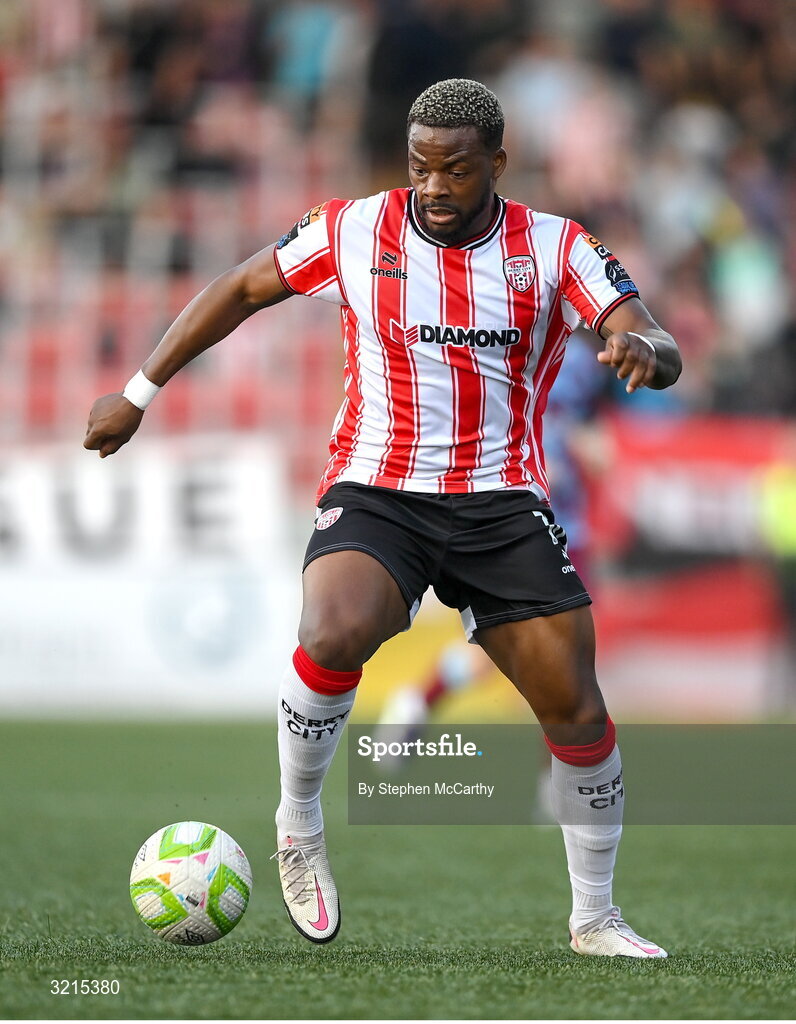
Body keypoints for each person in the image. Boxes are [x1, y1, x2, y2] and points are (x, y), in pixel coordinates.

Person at [85, 79, 682, 957]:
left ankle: (594, 918)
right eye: (420, 167)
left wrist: (644, 350)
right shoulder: (354, 228)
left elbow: (654, 336)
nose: (434, 186)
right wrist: (138, 392)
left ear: (498, 165)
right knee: (334, 630)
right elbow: (243, 287)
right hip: (379, 488)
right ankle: (299, 826)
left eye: (456, 170)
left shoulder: (558, 248)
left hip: (501, 500)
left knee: (578, 712)